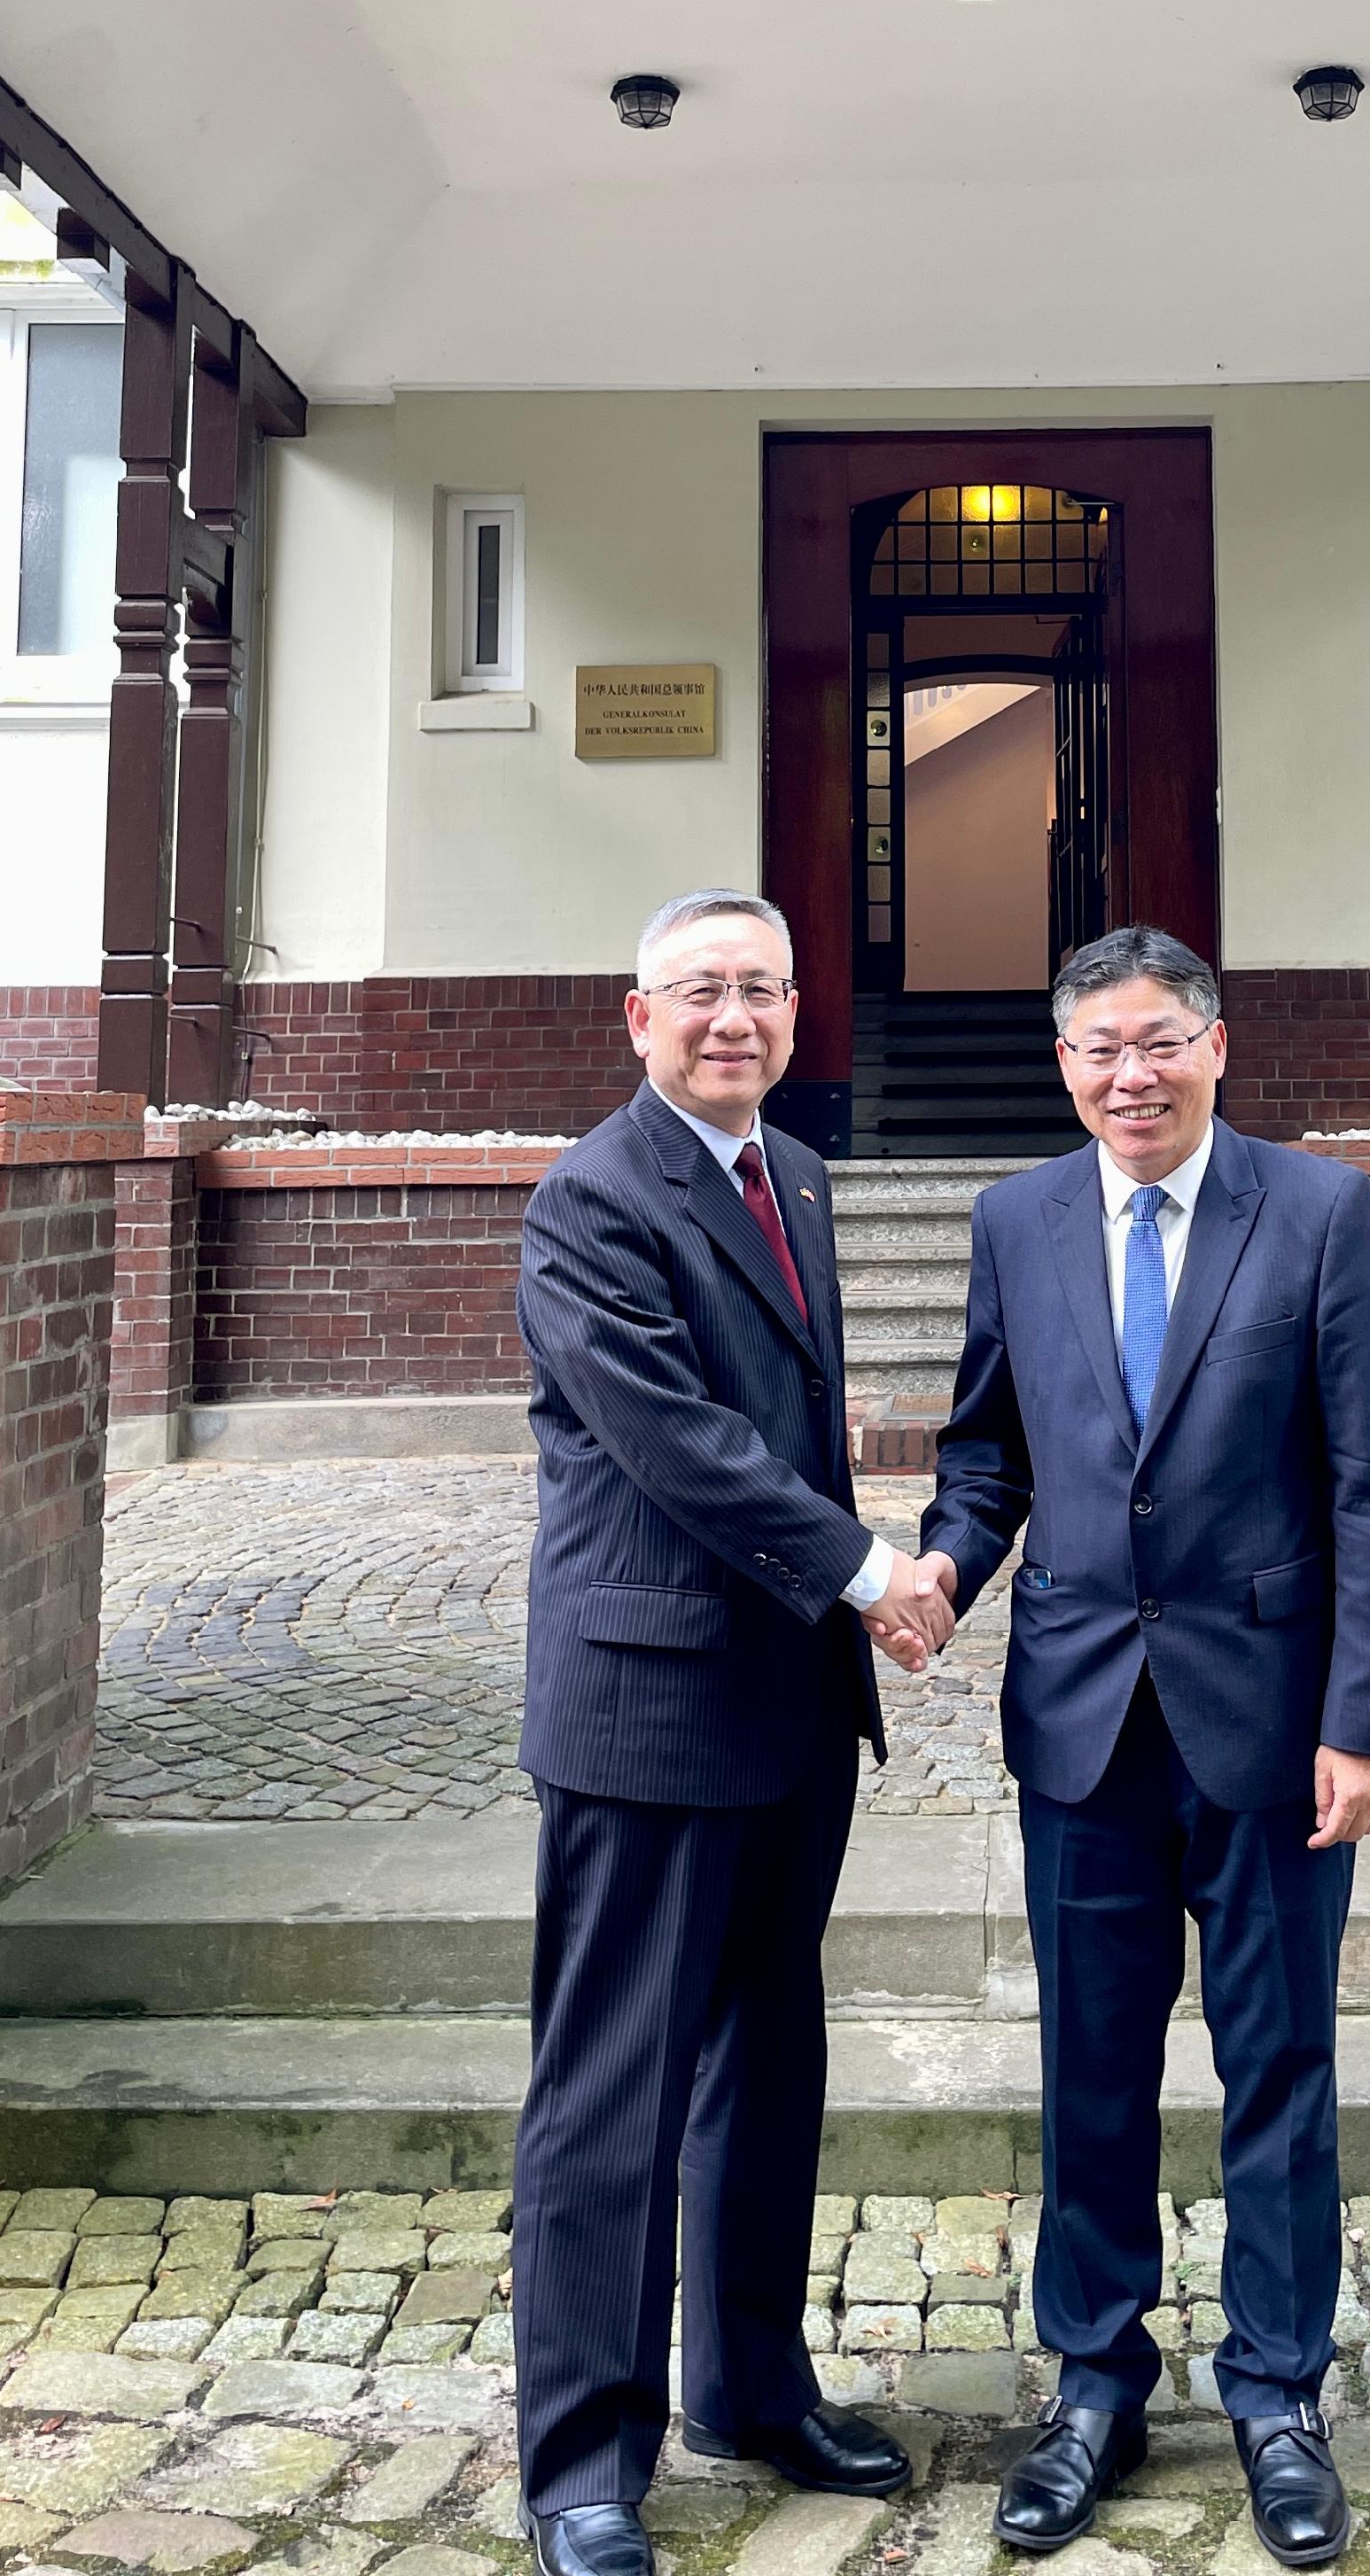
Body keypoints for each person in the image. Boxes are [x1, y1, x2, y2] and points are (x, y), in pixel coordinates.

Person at [913, 925, 1370, 2566]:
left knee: (1279, 2068)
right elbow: (988, 1447)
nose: (1128, 1075)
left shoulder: (1321, 1214)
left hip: (1270, 1729)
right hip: (1080, 1729)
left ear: (1217, 1046)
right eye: (1095, 1049)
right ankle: (1094, 2384)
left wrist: (1366, 1721)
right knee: (1092, 2073)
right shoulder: (1018, 1219)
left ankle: (1277, 2392)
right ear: (1063, 1067)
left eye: (1157, 1042)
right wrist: (936, 1566)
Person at [510, 890, 955, 2576]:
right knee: (610, 2086)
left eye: (761, 991)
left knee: (769, 2066)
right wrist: (867, 1572)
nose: (733, 1020)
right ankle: (583, 2463)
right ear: (639, 1017)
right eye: (699, 992)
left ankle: (752, 2389)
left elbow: (797, 1426)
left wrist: (864, 1587)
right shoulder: (592, 1199)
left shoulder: (799, 1177)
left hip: (787, 1708)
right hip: (647, 1707)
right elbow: (678, 1442)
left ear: (795, 1012)